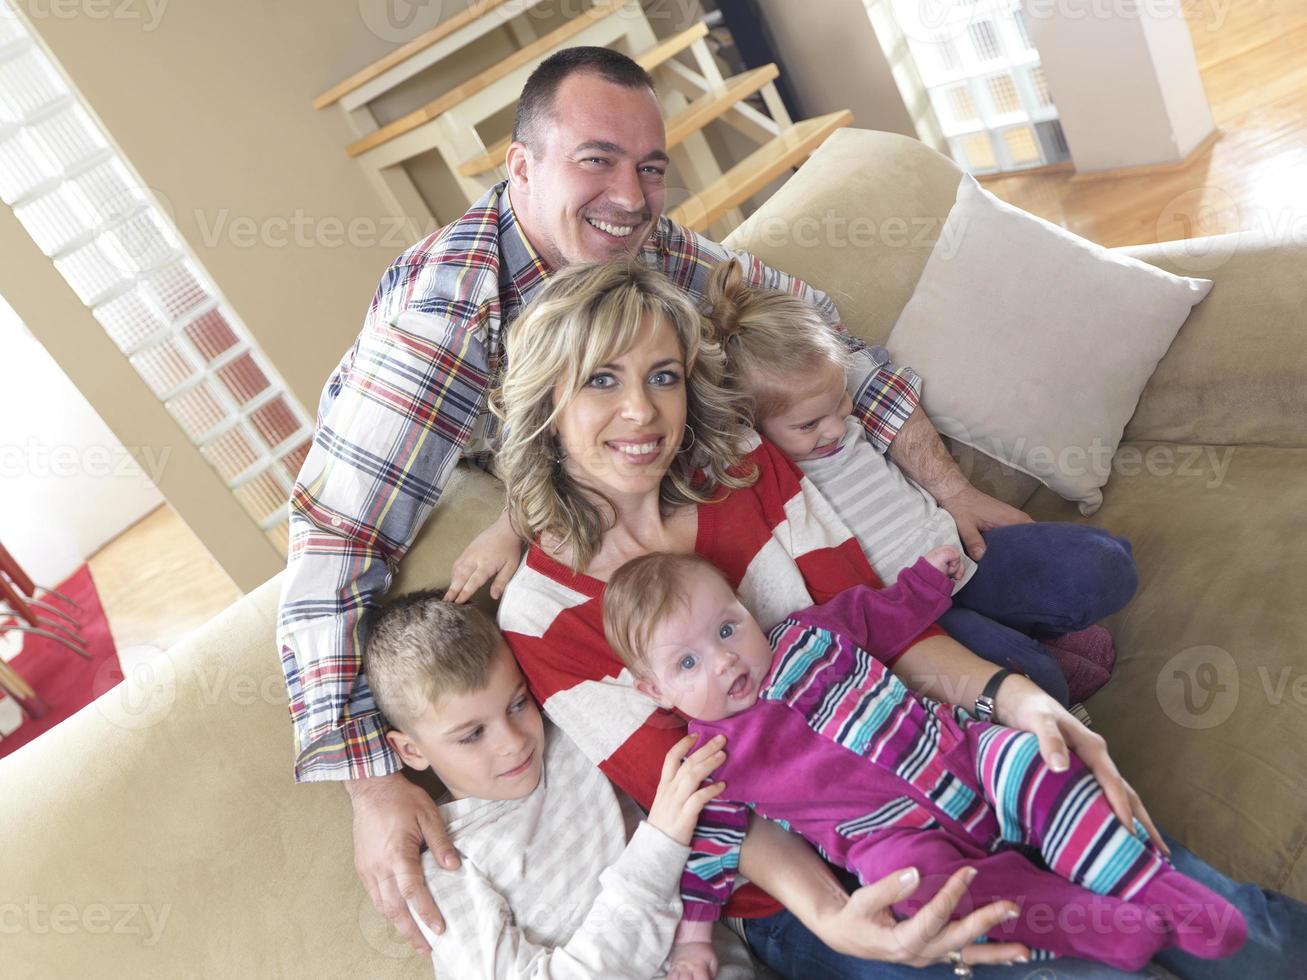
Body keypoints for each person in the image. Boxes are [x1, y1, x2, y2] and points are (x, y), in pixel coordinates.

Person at [276, 44, 1027, 955]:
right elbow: (335, 541)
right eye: (595, 159)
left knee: (1030, 678)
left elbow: (821, 341)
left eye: (650, 167)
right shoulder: (442, 320)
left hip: (801, 670)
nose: (630, 194)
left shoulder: (643, 245)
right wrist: (368, 781)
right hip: (597, 574)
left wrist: (951, 487)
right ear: (520, 166)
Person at [489, 258, 1189, 977]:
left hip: (934, 764)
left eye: (661, 376)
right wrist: (832, 918)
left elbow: (889, 633)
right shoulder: (540, 616)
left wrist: (1020, 701)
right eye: (601, 378)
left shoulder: (739, 464)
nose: (641, 411)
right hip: (822, 886)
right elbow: (706, 801)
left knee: (1196, 906)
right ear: (545, 397)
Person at [601, 548, 1247, 974]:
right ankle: (1080, 920)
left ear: (746, 610)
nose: (724, 660)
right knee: (910, 890)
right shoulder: (710, 763)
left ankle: (1149, 884)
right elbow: (710, 856)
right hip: (891, 838)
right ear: (653, 691)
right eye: (686, 663)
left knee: (1036, 762)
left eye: (726, 628)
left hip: (962, 755)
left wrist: (930, 578)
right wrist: (692, 944)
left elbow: (883, 616)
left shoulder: (809, 634)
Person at [696, 259, 1135, 705]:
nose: (834, 429)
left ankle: (1026, 629)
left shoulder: (838, 415)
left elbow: (867, 385)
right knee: (1037, 681)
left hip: (961, 555)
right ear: (751, 423)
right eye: (809, 424)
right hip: (911, 613)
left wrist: (955, 494)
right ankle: (1031, 652)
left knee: (1106, 563)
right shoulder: (759, 467)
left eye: (839, 401)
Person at [363, 590, 758, 979]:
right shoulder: (443, 865)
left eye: (518, 704)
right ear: (411, 751)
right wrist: (659, 847)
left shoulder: (569, 726)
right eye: (472, 735)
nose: (514, 743)